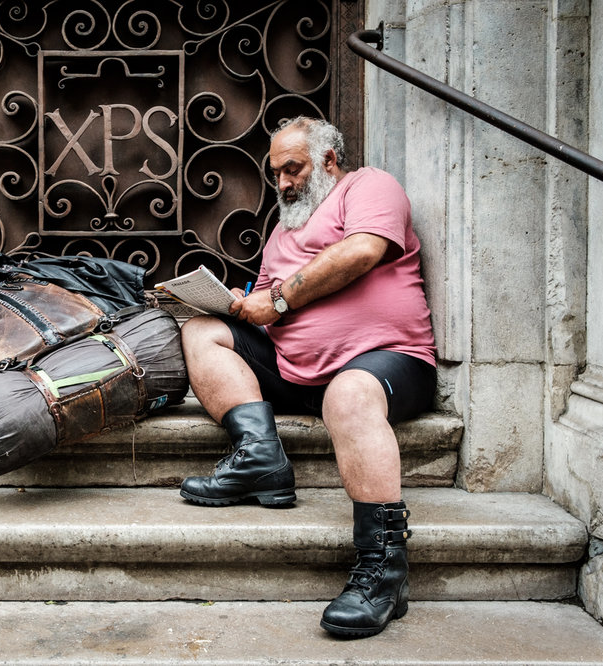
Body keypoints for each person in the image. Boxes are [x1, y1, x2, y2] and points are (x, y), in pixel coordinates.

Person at [178, 116, 437, 638]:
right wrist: (239, 302)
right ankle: (259, 457)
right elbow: (269, 298)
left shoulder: (370, 187)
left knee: (349, 394)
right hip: (294, 367)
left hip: (386, 358)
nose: (283, 183)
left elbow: (363, 250)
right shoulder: (284, 228)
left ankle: (384, 571)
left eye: (292, 169)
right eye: (276, 173)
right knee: (202, 330)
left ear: (329, 160)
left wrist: (277, 298)